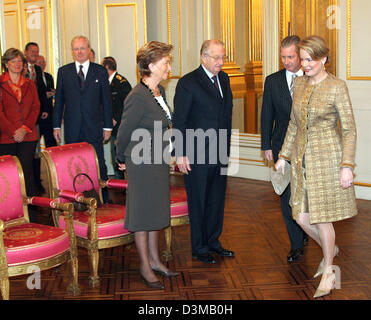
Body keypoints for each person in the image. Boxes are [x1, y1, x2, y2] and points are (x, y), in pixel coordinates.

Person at [275, 35, 357, 298]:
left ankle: (330, 271)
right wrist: (283, 156)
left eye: (310, 60)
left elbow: (349, 129)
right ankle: (328, 249)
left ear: (323, 59)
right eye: (303, 59)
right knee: (299, 215)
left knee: (322, 216)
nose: (305, 64)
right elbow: (293, 124)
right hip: (300, 160)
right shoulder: (299, 84)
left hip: (327, 159)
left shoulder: (336, 86)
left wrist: (347, 164)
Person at [116, 41, 179, 289]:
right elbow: (124, 132)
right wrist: (120, 158)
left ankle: (155, 260)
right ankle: (145, 265)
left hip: (158, 160)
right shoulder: (137, 96)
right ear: (151, 66)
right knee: (143, 215)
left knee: (155, 212)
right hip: (141, 163)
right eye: (165, 62)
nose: (169, 66)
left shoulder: (159, 92)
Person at [172, 39, 234, 264]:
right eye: (216, 57)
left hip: (220, 151)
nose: (221, 62)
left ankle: (213, 242)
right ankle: (199, 247)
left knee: (217, 200)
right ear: (203, 57)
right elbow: (179, 121)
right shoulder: (188, 82)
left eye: (223, 57)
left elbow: (226, 114)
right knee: (199, 201)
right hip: (196, 153)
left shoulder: (224, 78)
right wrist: (180, 153)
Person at [261, 35, 307, 263]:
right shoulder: (273, 81)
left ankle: (307, 231)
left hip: (308, 150)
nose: (287, 61)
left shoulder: (312, 78)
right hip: (282, 149)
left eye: (291, 56)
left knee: (305, 196)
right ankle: (296, 244)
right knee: (287, 195)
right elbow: (266, 114)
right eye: (283, 57)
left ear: (300, 55)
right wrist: (266, 145)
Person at [53, 35, 112, 203]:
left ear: (88, 49)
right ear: (72, 51)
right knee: (74, 166)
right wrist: (56, 126)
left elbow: (106, 101)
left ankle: (103, 200)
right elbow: (59, 102)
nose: (79, 52)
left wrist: (108, 127)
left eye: (82, 48)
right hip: (72, 129)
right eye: (76, 49)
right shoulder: (64, 72)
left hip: (94, 128)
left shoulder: (100, 71)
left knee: (98, 165)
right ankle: (77, 201)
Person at [0, 48, 40, 199]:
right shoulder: (0, 83)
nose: (17, 64)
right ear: (6, 64)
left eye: (19, 61)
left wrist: (25, 128)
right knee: (8, 175)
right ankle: (10, 209)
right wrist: (13, 132)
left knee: (27, 174)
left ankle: (30, 214)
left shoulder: (30, 84)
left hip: (28, 136)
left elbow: (36, 107)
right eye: (13, 61)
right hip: (6, 137)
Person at [24, 42, 50, 193]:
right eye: (32, 51)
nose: (34, 53)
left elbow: (42, 92)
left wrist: (45, 109)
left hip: (38, 115)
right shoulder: (20, 68)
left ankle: (37, 183)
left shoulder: (38, 70)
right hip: (23, 117)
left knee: (36, 151)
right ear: (26, 52)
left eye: (37, 51)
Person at [102, 56, 132, 179]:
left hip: (120, 126)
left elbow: (127, 104)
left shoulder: (121, 83)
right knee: (114, 153)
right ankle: (117, 178)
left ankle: (120, 180)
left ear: (107, 68)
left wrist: (116, 118)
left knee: (118, 153)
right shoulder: (108, 82)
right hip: (112, 126)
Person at [35, 54, 56, 148]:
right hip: (38, 114)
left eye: (43, 62)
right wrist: (44, 95)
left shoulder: (48, 76)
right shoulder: (33, 77)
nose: (42, 64)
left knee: (51, 142)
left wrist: (54, 93)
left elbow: (51, 90)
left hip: (50, 113)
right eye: (39, 62)